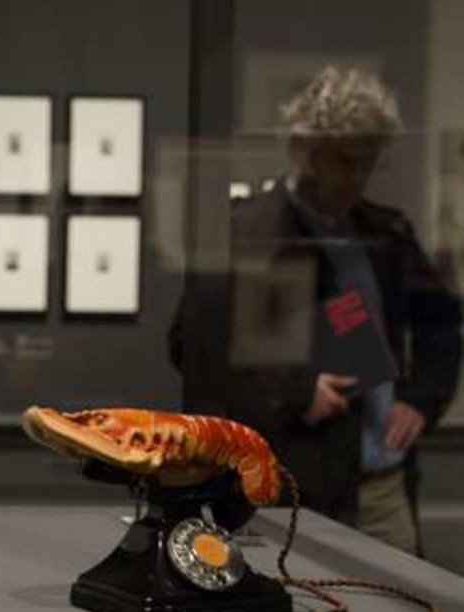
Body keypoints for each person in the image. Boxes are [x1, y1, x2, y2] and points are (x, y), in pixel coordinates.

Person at [169, 66, 463, 555]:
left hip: (383, 485)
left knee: (402, 602)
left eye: (368, 164)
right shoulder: (245, 232)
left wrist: (421, 398)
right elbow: (193, 346)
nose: (356, 179)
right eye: (344, 162)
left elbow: (441, 322)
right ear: (303, 149)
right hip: (295, 482)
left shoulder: (385, 231)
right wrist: (297, 390)